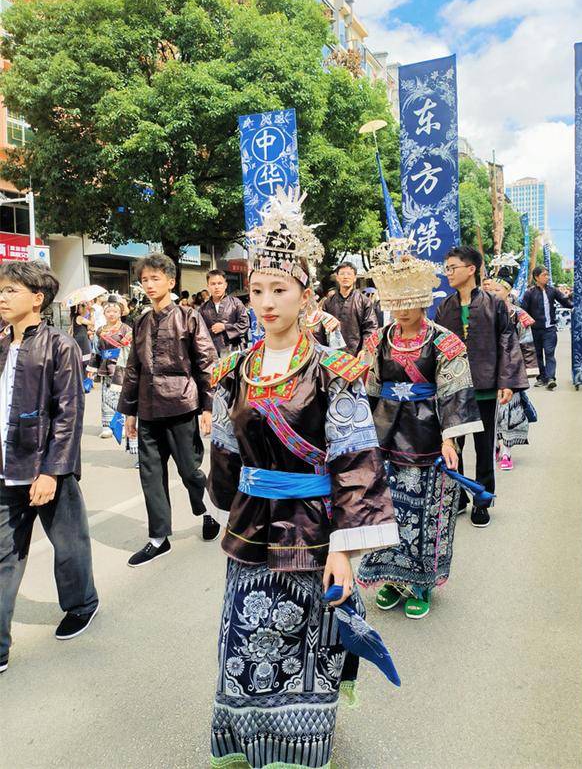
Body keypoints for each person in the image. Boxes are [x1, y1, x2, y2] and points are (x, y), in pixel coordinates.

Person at [207, 188, 398, 768]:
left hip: (315, 526)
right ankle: (244, 738)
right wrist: (224, 500)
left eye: (279, 290)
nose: (265, 302)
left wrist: (346, 549)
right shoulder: (231, 370)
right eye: (257, 290)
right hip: (252, 524)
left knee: (306, 638)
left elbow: (356, 460)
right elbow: (224, 451)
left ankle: (300, 744)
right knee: (244, 635)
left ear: (306, 296)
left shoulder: (334, 371)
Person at [357, 238, 483, 619]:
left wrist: (450, 438)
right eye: (394, 303)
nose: (401, 311)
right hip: (385, 435)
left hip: (428, 433)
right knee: (386, 509)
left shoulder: (445, 342)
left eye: (408, 302)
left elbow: (454, 389)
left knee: (427, 511)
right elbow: (369, 389)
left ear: (424, 299)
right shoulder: (378, 340)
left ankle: (421, 582)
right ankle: (390, 579)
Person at [0, 261, 99, 674]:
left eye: (10, 291)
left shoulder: (60, 345)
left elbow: (68, 413)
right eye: (1, 291)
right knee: (3, 554)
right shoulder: (1, 343)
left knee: (68, 543)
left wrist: (51, 471)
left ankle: (81, 604)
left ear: (37, 298)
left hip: (44, 467)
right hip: (6, 467)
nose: (2, 298)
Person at [117, 253, 220, 566]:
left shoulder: (189, 317)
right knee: (150, 475)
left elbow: (206, 362)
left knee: (190, 470)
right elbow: (133, 369)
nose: (148, 284)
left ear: (171, 282)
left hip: (181, 405)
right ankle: (158, 538)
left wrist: (207, 406)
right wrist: (130, 412)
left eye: (155, 278)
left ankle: (208, 512)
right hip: (148, 410)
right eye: (144, 279)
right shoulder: (141, 322)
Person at [436, 246, 528, 528]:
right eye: (446, 268)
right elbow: (436, 347)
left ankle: (482, 500)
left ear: (471, 269)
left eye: (452, 267)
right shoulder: (444, 307)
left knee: (485, 447)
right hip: (454, 390)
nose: (448, 273)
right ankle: (458, 498)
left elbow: (507, 341)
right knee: (453, 446)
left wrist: (508, 382)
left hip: (486, 387)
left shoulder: (494, 304)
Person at [490, 257, 538, 472]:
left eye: (498, 290)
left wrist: (528, 371)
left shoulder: (518, 315)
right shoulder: (483, 311)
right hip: (489, 369)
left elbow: (526, 344)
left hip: (511, 368)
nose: (494, 294)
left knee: (508, 410)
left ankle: (507, 450)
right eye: (491, 290)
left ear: (508, 292)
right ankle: (496, 444)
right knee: (492, 412)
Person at [520, 266, 573, 390]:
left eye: (547, 275)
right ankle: (541, 378)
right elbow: (523, 311)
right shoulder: (529, 293)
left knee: (549, 353)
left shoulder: (552, 291)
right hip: (535, 330)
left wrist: (575, 306)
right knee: (538, 355)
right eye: (544, 275)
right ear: (536, 277)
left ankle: (550, 378)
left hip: (550, 329)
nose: (547, 277)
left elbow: (564, 301)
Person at [94, 296, 133, 440]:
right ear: (104, 314)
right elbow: (96, 350)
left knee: (121, 396)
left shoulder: (127, 330)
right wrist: (92, 370)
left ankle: (121, 425)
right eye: (108, 311)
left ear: (120, 313)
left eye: (115, 311)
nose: (111, 314)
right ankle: (107, 426)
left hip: (121, 367)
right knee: (106, 397)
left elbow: (131, 349)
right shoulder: (100, 331)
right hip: (106, 366)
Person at [322, 261, 378, 356]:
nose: (345, 277)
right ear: (337, 278)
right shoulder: (328, 302)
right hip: (333, 354)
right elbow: (321, 328)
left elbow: (371, 328)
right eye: (342, 274)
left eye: (349, 274)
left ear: (355, 278)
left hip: (356, 353)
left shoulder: (364, 301)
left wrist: (365, 349)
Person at [199, 269, 249, 356]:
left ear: (225, 285)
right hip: (212, 352)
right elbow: (200, 333)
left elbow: (244, 324)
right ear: (208, 286)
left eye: (219, 283)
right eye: (213, 284)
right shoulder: (203, 309)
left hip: (233, 349)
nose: (216, 287)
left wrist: (225, 327)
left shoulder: (236, 303)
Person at [70, 300, 94, 371]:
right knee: (85, 358)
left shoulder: (76, 317)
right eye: (82, 307)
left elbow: (89, 326)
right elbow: (92, 323)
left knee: (82, 358)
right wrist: (92, 312)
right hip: (82, 341)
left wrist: (89, 313)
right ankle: (84, 375)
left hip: (80, 339)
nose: (84, 308)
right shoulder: (79, 318)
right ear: (77, 309)